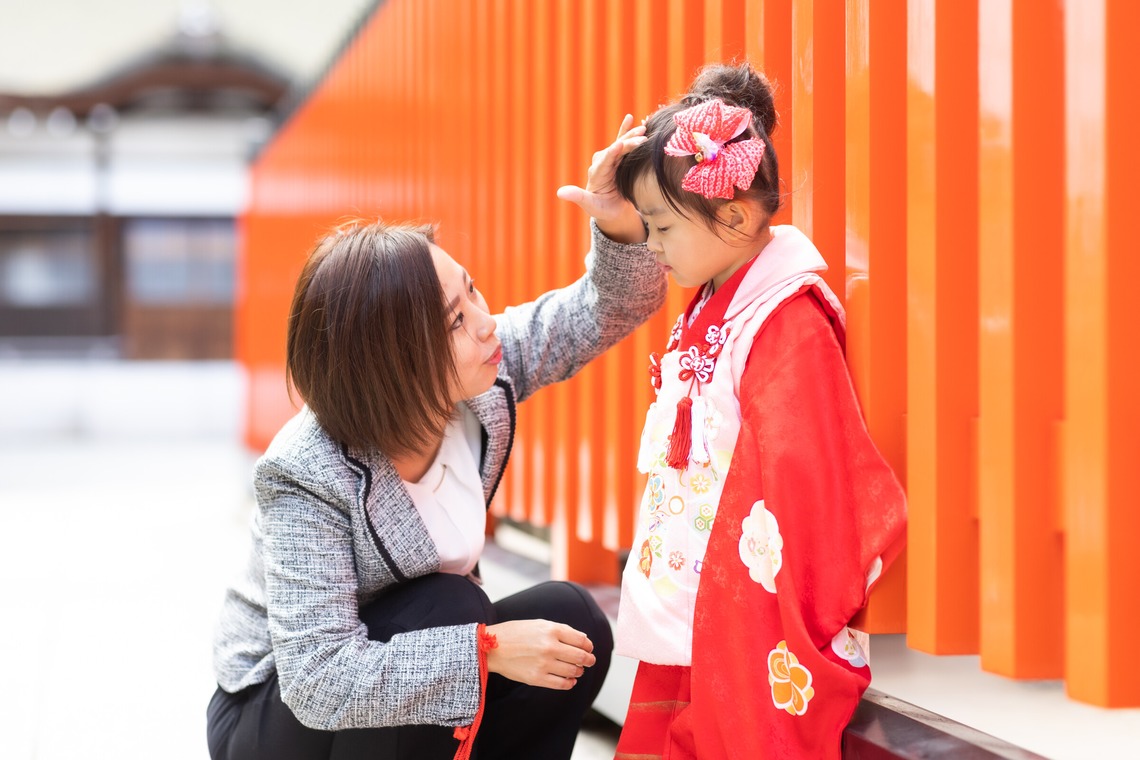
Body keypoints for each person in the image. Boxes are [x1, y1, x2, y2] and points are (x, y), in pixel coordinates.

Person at [206, 117, 666, 760]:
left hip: (398, 686)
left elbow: (607, 307)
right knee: (448, 606)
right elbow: (317, 681)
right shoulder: (307, 470)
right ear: (392, 359)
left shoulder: (483, 371)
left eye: (471, 290)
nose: (484, 325)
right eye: (455, 319)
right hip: (278, 720)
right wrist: (489, 650)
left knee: (573, 621)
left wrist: (616, 220)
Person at [610, 62, 907, 759]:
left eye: (659, 227)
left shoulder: (784, 318)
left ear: (736, 214)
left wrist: (737, 604)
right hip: (700, 598)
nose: (651, 246)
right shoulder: (719, 298)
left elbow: (804, 480)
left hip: (743, 611)